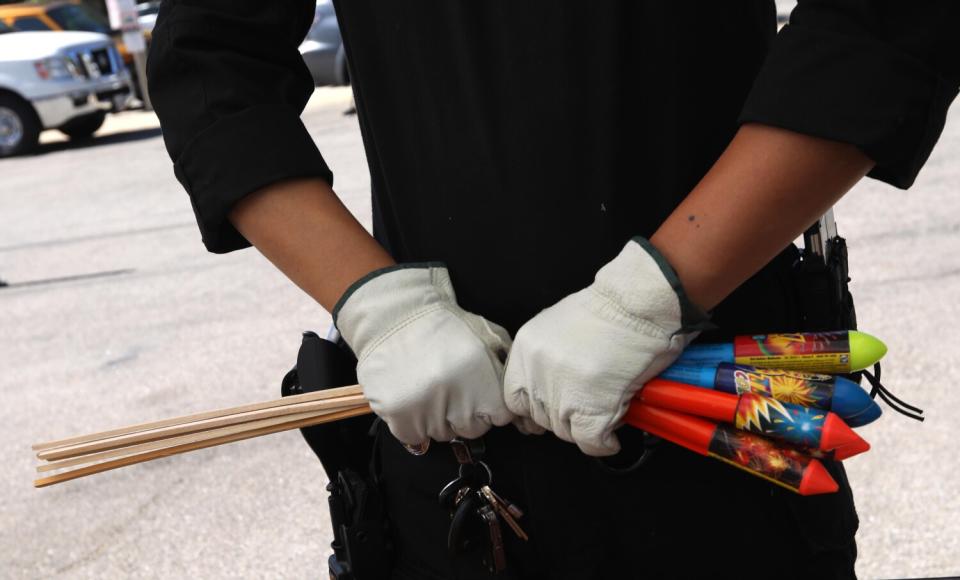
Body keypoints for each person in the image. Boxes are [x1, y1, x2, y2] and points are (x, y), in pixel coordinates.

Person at [148, 2, 959, 578]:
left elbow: (885, 19)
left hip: (730, 433)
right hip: (451, 463)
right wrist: (378, 307)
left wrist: (647, 299)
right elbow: (211, 59)